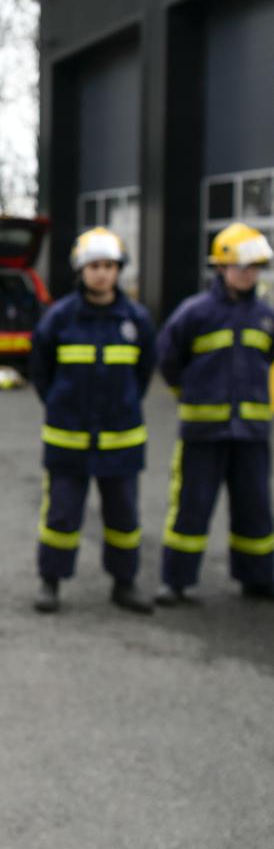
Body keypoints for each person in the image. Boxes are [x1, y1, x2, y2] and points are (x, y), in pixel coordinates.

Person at [28, 228, 156, 614]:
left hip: (121, 440)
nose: (101, 274)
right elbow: (41, 370)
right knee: (61, 516)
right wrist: (59, 405)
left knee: (123, 517)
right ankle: (51, 582)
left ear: (119, 271)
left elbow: (145, 371)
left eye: (108, 266)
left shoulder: (136, 319)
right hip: (68, 438)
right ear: (80, 271)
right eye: (94, 266)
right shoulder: (60, 318)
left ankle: (124, 583)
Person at [155, 222, 274, 603]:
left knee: (255, 508)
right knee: (191, 506)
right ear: (220, 268)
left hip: (252, 433)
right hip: (203, 433)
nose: (248, 274)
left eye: (254, 267)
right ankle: (176, 581)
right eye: (241, 266)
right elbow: (168, 360)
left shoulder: (266, 315)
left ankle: (258, 577)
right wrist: (188, 396)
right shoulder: (195, 312)